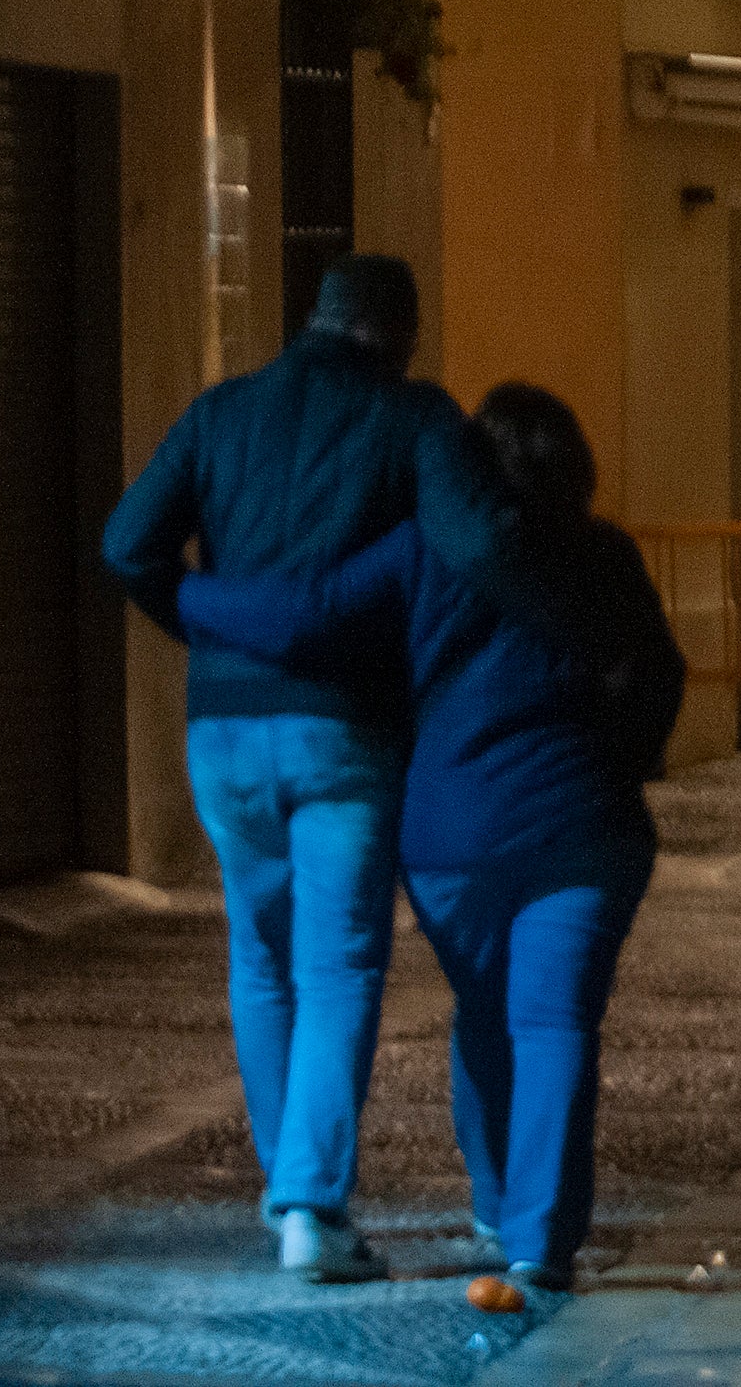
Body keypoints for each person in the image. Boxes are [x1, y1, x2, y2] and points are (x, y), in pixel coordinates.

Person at [175, 383, 685, 1290]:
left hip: (451, 838)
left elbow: (308, 612)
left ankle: (495, 1201)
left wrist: (185, 594)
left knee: (487, 1009)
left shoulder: (423, 551)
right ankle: (538, 1235)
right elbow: (657, 675)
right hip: (581, 830)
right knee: (555, 1019)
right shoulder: (605, 555)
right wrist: (620, 766)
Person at [100, 254, 520, 1283]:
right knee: (339, 967)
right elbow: (475, 547)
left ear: (316, 318)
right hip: (342, 730)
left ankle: (294, 1196)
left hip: (223, 732)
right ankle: (311, 1205)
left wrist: (202, 620)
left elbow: (126, 544)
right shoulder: (417, 418)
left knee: (261, 959)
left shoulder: (222, 412)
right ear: (402, 334)